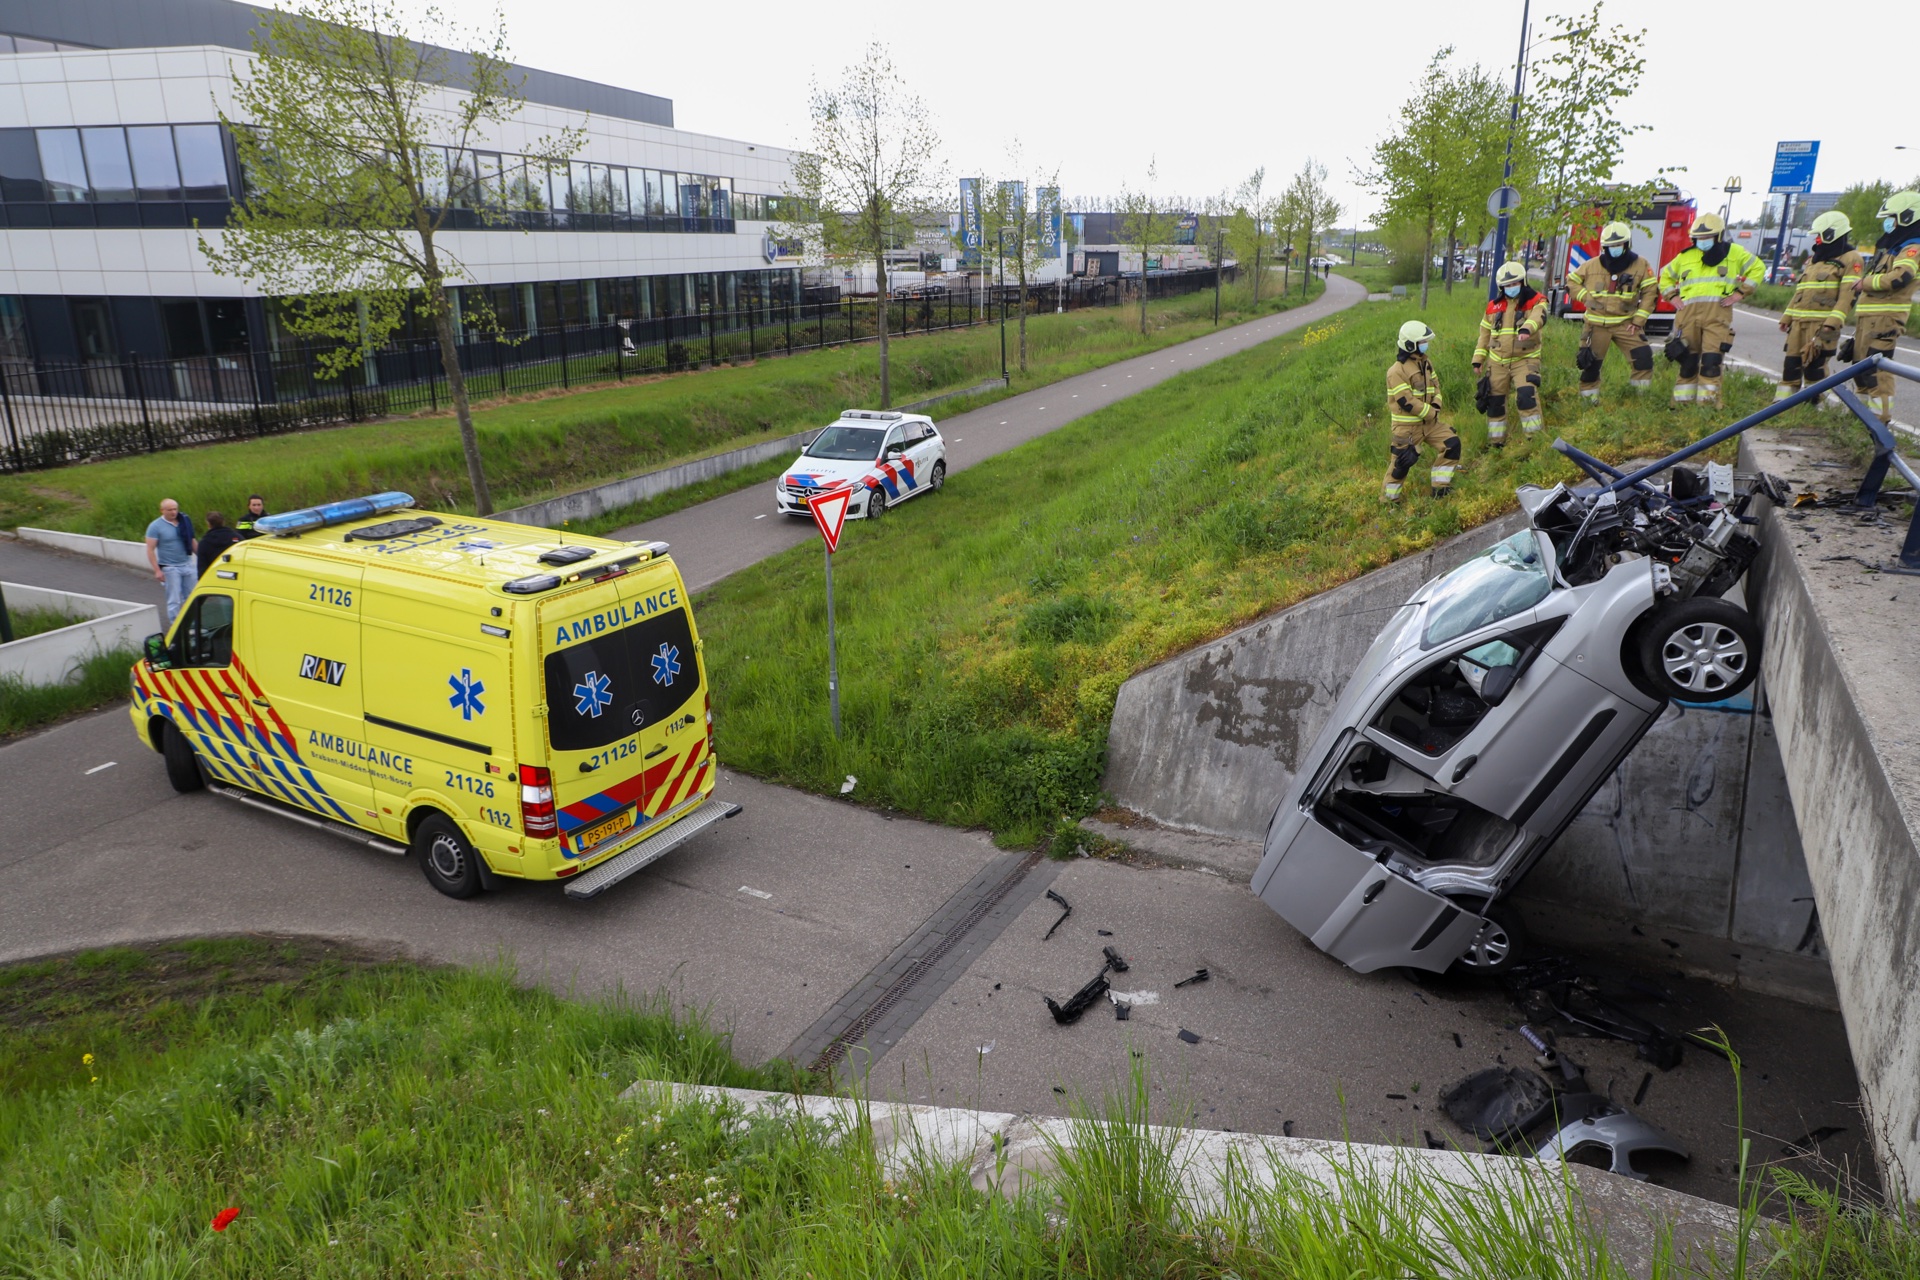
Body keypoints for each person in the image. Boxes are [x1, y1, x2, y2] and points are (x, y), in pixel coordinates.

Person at [1656, 212, 1763, 409]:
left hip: (1717, 316)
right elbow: (1665, 277)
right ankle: (1681, 407)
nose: (1702, 241)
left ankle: (1707, 408)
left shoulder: (1735, 253)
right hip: (1687, 317)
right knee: (1687, 363)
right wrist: (1672, 296)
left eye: (1707, 237)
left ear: (1719, 236)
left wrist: (1740, 293)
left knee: (1711, 363)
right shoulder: (1685, 256)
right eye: (1698, 238)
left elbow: (1758, 269)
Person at [1775, 210, 1863, 402]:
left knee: (1815, 368)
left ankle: (1813, 409)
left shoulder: (1851, 258)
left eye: (1819, 235)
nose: (1816, 239)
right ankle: (1781, 407)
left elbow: (1848, 295)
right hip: (1799, 323)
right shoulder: (1814, 261)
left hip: (1824, 324)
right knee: (1791, 366)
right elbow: (1800, 293)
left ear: (1832, 233)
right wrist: (1787, 318)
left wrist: (1832, 322)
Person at [1848, 190, 1920, 424]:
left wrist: (1864, 283)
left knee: (1876, 373)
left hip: (1885, 319)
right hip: (1871, 317)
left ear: (1908, 218)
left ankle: (1879, 423)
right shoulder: (1895, 249)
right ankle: (1858, 421)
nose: (1889, 224)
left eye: (1893, 218)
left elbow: (1900, 278)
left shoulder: (1912, 249)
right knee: (1860, 368)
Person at [1569, 221, 1658, 398]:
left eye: (1619, 245)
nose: (1615, 249)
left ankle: (1639, 401)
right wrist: (1586, 297)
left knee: (1643, 360)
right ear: (1604, 247)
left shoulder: (1640, 265)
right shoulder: (1592, 265)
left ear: (1627, 244)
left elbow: (1650, 292)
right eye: (1610, 246)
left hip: (1626, 325)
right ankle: (1589, 404)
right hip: (1596, 326)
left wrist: (1638, 320)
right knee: (1590, 367)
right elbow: (1572, 282)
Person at [1472, 261, 1549, 446]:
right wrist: (1478, 359)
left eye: (1515, 283)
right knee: (1495, 403)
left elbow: (1539, 316)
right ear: (1501, 287)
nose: (1511, 288)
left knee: (1526, 397)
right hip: (1497, 362)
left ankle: (1535, 442)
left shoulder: (1536, 300)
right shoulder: (1493, 306)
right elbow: (1484, 334)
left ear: (1523, 282)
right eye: (1507, 285)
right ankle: (1496, 443)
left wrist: (1526, 329)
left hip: (1525, 359)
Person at [1383, 320, 1459, 501]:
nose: (1426, 345)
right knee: (1401, 465)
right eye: (1422, 342)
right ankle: (1389, 501)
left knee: (1452, 444)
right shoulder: (1396, 371)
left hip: (1430, 423)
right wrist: (1431, 412)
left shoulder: (1425, 363)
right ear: (1410, 345)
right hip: (1407, 429)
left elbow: (1436, 387)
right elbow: (1406, 401)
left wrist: (1436, 406)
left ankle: (1440, 489)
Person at [145, 498, 197, 625]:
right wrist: (157, 570)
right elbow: (150, 549)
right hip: (170, 568)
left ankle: (194, 624)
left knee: (192, 597)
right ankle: (176, 626)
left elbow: (192, 541)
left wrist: (202, 559)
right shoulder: (155, 526)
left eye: (175, 509)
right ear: (162, 511)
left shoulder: (184, 521)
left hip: (187, 564)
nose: (173, 512)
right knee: (174, 600)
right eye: (170, 510)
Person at [195, 510, 242, 577]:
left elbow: (202, 567)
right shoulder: (237, 538)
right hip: (236, 575)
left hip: (214, 577)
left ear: (208, 524)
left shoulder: (204, 542)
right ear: (223, 522)